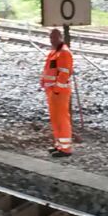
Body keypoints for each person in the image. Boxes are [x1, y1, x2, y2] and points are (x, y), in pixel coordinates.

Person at [39, 28, 74, 157]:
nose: (52, 40)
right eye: (51, 38)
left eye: (54, 37)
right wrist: (43, 81)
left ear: (60, 37)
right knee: (55, 119)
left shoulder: (64, 53)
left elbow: (64, 73)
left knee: (62, 119)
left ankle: (66, 148)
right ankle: (59, 145)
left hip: (59, 92)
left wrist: (56, 90)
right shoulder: (55, 52)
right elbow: (48, 69)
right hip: (52, 92)